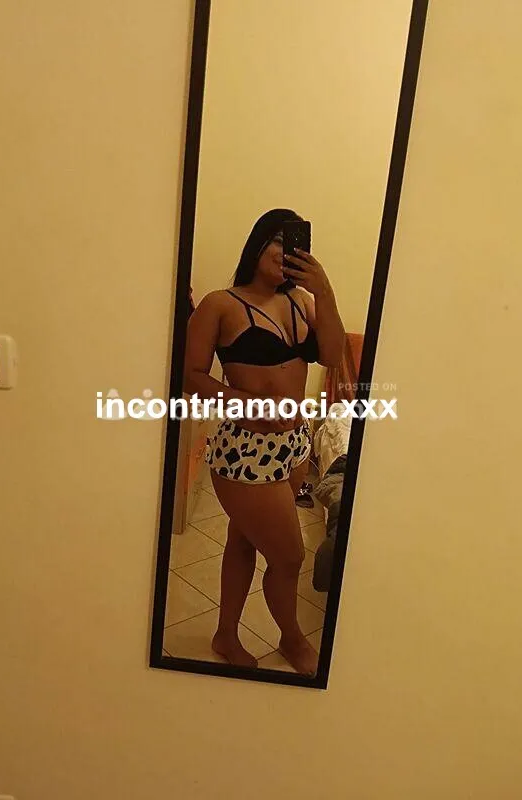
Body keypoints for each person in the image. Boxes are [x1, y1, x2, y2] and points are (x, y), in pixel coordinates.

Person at [183, 208, 345, 675]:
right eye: (277, 239)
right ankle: (293, 640)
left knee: (243, 539)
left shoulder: (302, 302)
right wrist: (247, 402)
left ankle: (225, 634)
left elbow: (332, 355)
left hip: (293, 446)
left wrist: (325, 291)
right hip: (245, 452)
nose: (285, 250)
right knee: (290, 557)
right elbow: (191, 376)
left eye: (294, 243)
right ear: (256, 244)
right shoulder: (220, 304)